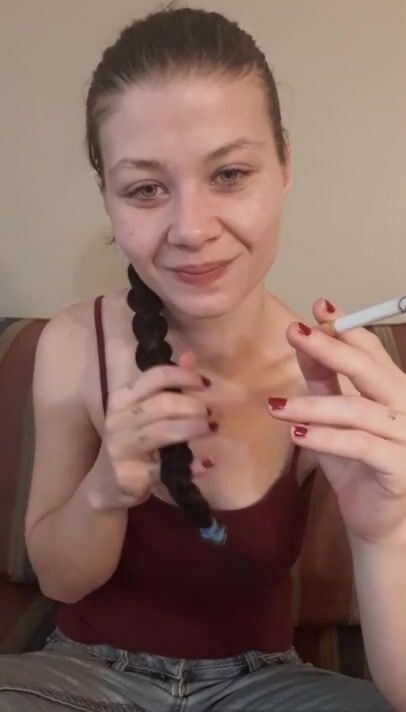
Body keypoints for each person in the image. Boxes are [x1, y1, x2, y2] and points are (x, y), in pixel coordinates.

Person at [0, 3, 403, 710]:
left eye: (230, 174)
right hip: (83, 677)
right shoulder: (72, 344)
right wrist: (106, 488)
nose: (190, 228)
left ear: (284, 166)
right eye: (146, 189)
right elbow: (62, 582)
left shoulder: (330, 379)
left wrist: (386, 531)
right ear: (107, 196)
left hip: (262, 683)